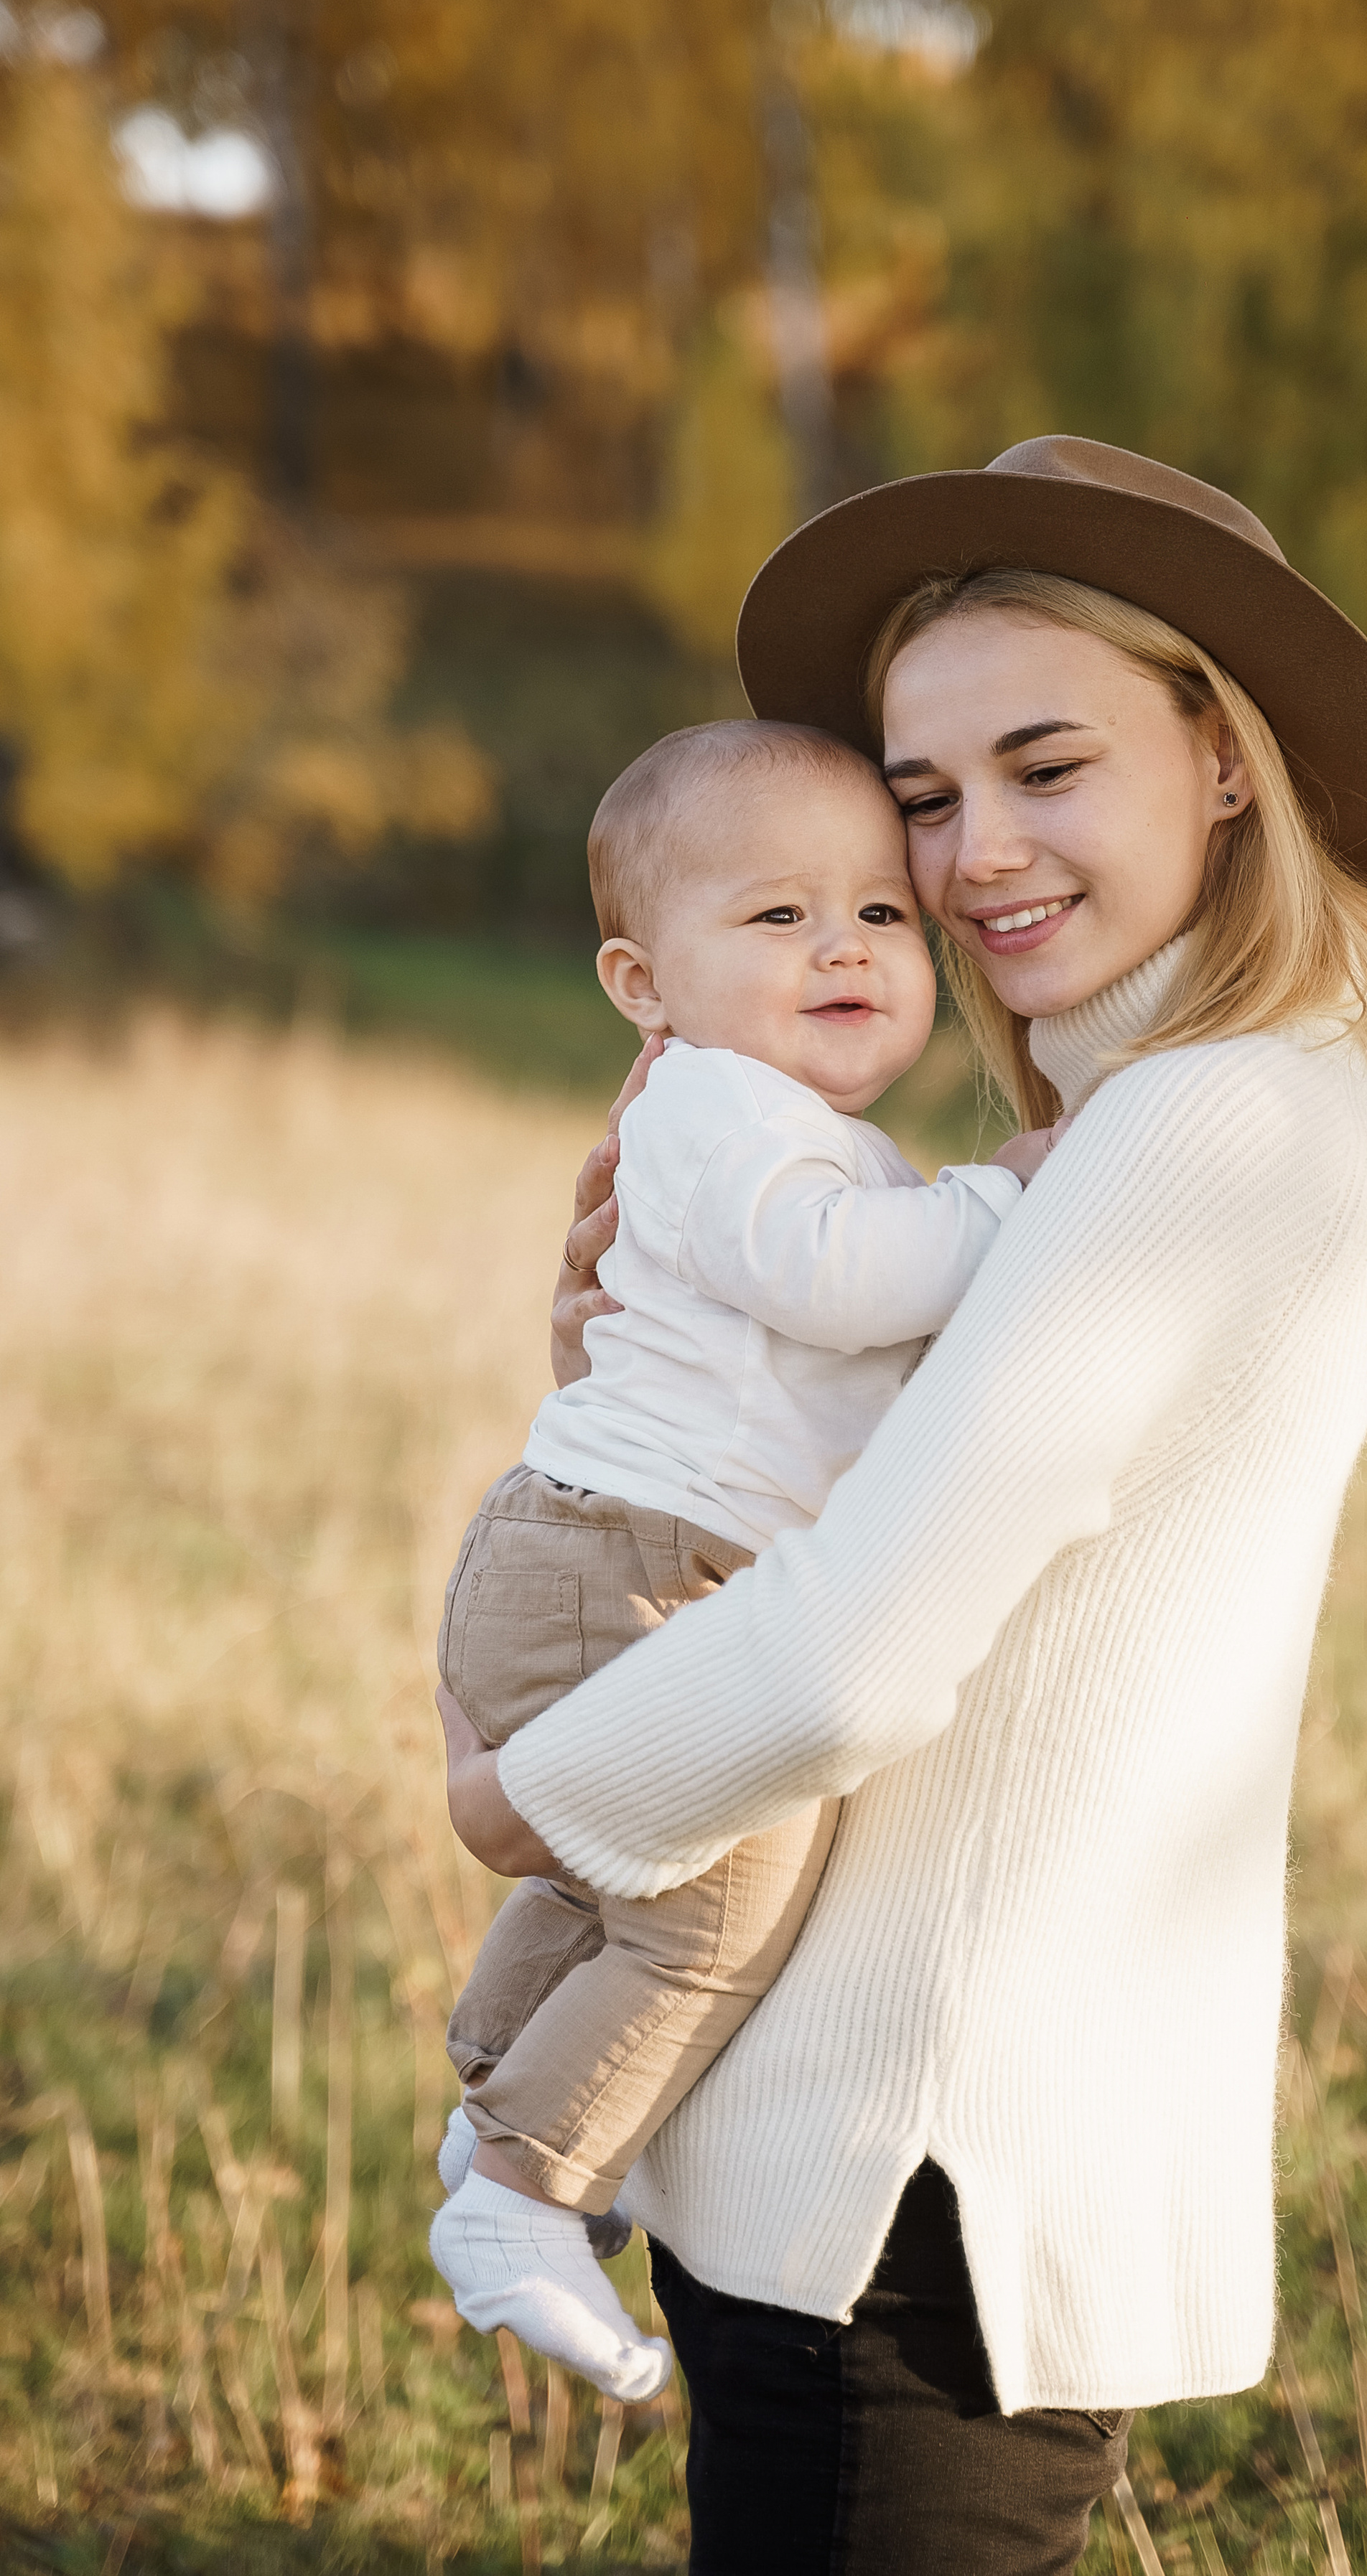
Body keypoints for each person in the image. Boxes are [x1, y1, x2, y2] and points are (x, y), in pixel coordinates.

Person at [439, 436, 1367, 2575]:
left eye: (1045, 764)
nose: (973, 848)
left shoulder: (1191, 1137)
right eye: (922, 792)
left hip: (919, 2172)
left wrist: (526, 1789)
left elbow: (849, 1655)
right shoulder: (1159, 1126)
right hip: (882, 2156)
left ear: (1223, 762)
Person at [429, 717, 1049, 2400]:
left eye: (876, 914)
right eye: (775, 918)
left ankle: (500, 2084)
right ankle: (525, 2194)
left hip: (614, 1558)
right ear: (642, 982)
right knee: (717, 1908)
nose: (843, 944)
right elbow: (835, 1279)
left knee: (618, 1871)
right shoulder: (711, 1110)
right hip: (621, 1561)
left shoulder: (772, 1117)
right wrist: (1004, 1202)